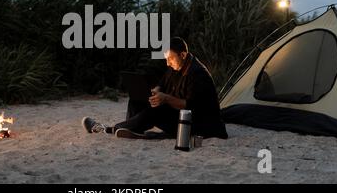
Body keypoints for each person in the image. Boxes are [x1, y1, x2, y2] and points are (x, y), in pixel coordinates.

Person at [82, 37, 228, 140]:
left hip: (199, 124)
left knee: (157, 111)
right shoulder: (176, 66)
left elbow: (191, 106)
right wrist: (156, 91)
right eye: (166, 59)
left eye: (170, 59)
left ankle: (106, 129)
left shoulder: (197, 74)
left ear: (183, 54)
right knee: (136, 100)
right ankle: (130, 129)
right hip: (181, 116)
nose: (167, 63)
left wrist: (166, 98)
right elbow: (162, 84)